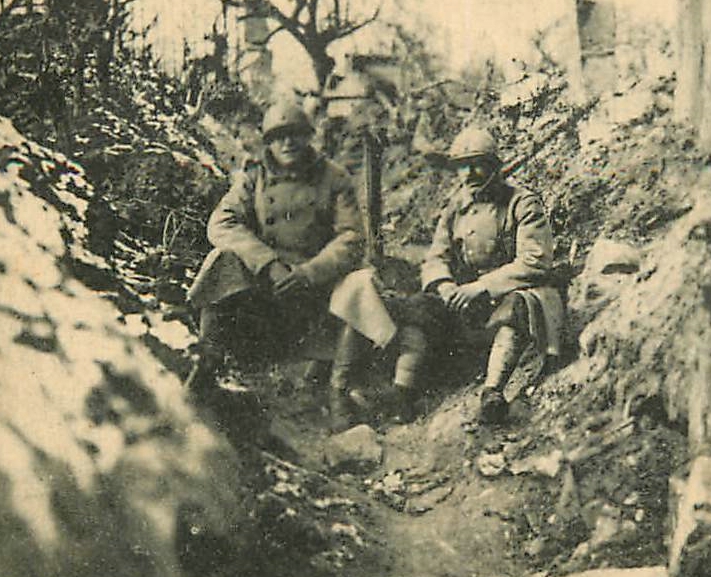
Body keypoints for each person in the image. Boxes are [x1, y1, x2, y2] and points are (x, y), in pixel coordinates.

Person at [184, 99, 384, 429]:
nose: (288, 143)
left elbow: (351, 237)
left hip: (317, 291)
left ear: (308, 137)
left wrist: (309, 273)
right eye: (279, 136)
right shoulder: (254, 178)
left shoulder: (334, 178)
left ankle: (338, 391)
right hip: (266, 291)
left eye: (295, 134)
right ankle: (207, 366)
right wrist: (267, 263)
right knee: (222, 259)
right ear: (269, 143)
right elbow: (222, 223)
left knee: (362, 282)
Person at [384, 124, 565, 425]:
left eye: (477, 165)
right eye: (462, 167)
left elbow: (534, 261)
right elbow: (435, 258)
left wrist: (481, 287)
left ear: (494, 166)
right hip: (465, 303)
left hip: (504, 296)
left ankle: (492, 391)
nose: (469, 174)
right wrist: (445, 287)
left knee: (520, 307)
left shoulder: (522, 203)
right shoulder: (457, 209)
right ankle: (403, 395)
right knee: (417, 307)